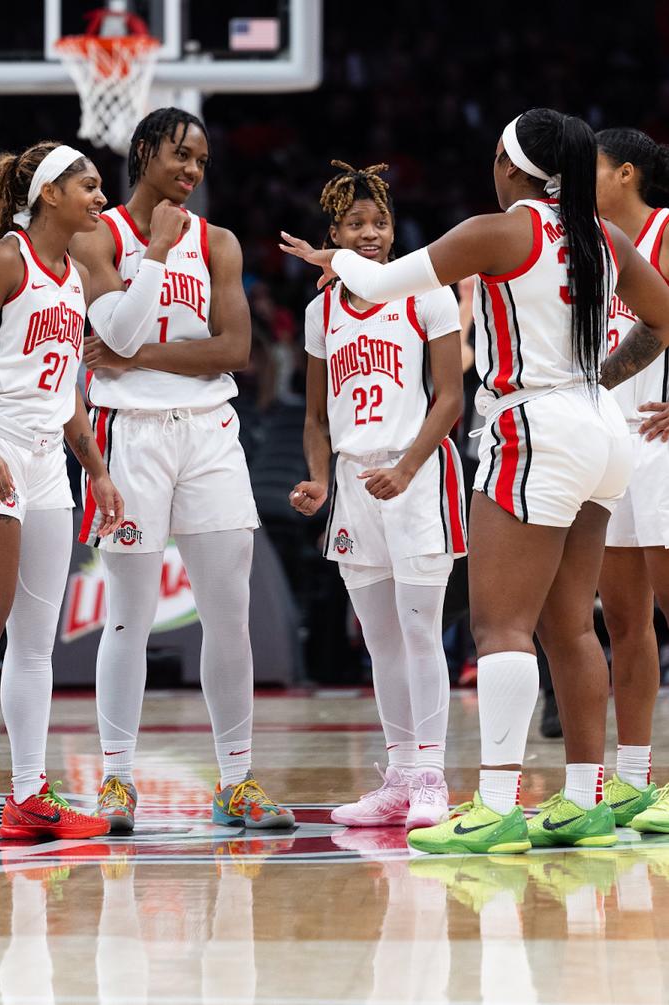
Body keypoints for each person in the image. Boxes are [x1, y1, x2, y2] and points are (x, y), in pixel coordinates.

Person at [280, 107, 669, 854]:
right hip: (600, 428)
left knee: (499, 626)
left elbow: (388, 278)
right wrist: (601, 374)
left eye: (497, 157)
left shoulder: (503, 231)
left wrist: (336, 262)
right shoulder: (604, 235)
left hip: (534, 426)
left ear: (514, 166)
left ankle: (496, 803)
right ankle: (586, 800)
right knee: (569, 623)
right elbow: (660, 318)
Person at [70, 107, 294, 832]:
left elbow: (233, 350)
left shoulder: (220, 242)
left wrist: (136, 358)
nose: (192, 171)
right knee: (128, 615)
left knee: (229, 615)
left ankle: (236, 781)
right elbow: (113, 330)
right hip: (128, 433)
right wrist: (158, 255)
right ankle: (116, 779)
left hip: (208, 432)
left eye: (200, 159)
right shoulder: (95, 236)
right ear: (143, 154)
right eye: (179, 156)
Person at [289, 161, 466, 829]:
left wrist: (409, 466)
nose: (370, 233)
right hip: (357, 483)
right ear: (332, 231)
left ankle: (430, 776)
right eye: (355, 223)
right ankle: (397, 774)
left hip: (416, 473)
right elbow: (314, 417)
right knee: (379, 639)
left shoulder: (426, 292)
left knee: (422, 631)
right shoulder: (319, 310)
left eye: (380, 222)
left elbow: (450, 397)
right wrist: (320, 477)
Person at [0, 141, 124, 840]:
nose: (100, 199)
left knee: (35, 643)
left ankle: (28, 796)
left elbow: (65, 384)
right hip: (3, 450)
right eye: (90, 186)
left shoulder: (73, 274)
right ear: (50, 193)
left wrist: (97, 465)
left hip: (50, 461)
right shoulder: (9, 258)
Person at [595, 128, 669, 831]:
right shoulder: (592, 250)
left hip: (662, 441)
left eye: (589, 170)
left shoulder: (668, 232)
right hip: (609, 444)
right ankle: (634, 775)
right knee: (624, 620)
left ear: (624, 174)